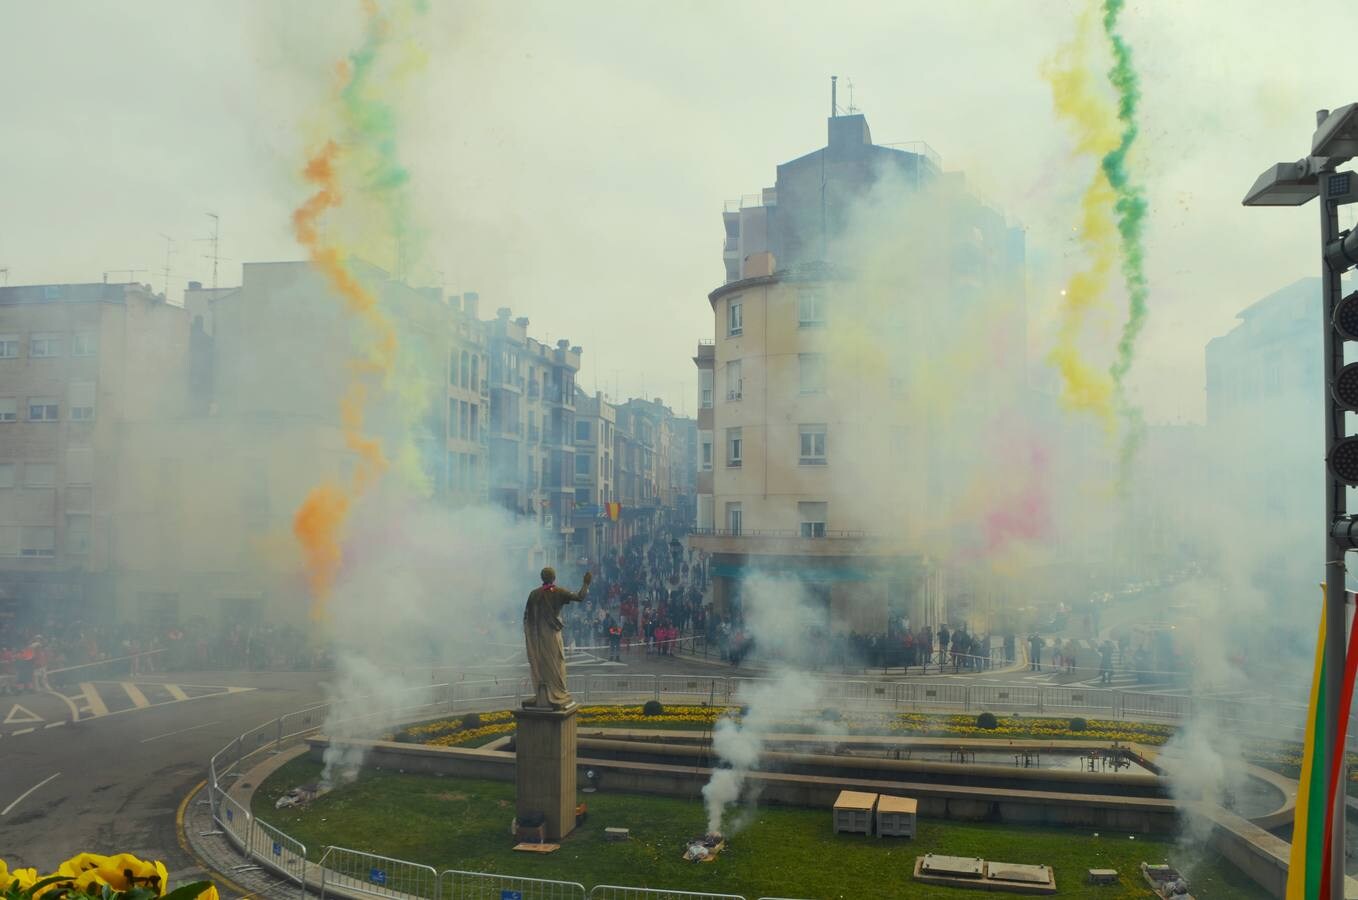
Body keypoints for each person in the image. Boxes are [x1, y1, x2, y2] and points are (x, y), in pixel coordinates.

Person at [523, 566, 592, 708]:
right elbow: (580, 597)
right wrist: (586, 584)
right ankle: (556, 692)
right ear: (554, 578)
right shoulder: (558, 592)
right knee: (556, 662)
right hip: (552, 634)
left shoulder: (534, 594)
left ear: (542, 578)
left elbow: (526, 618)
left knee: (542, 663)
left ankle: (543, 693)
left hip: (537, 635)